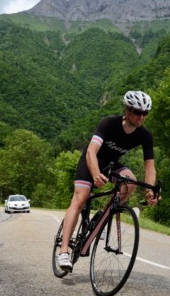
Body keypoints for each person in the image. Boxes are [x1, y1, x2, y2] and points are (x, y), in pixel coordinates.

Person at [58, 90, 160, 271]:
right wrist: (96, 173)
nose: (141, 117)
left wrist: (150, 190)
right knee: (80, 199)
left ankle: (102, 217)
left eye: (145, 113)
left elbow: (149, 167)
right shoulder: (109, 123)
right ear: (127, 110)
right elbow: (91, 151)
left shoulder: (145, 135)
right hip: (90, 161)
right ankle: (64, 250)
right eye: (137, 112)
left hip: (110, 164)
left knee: (130, 182)